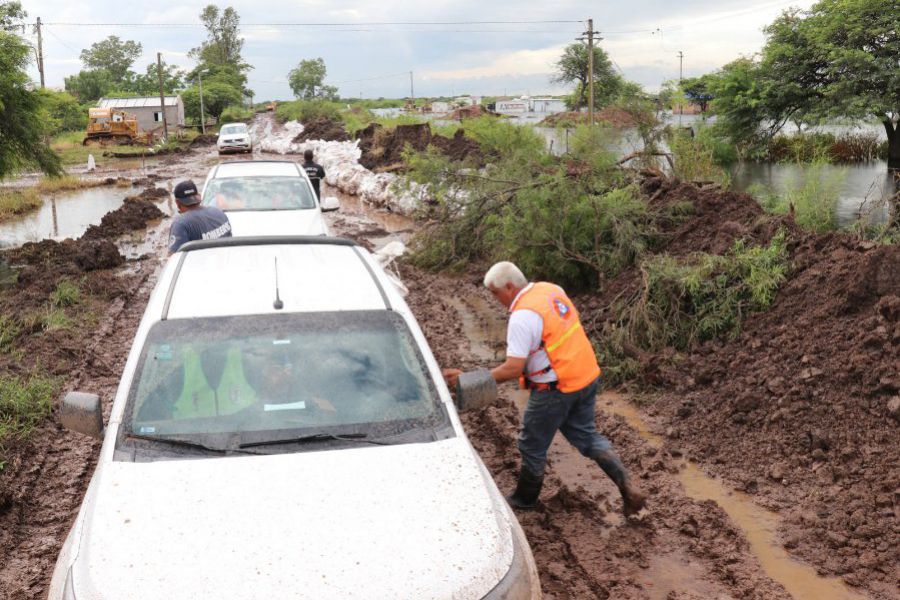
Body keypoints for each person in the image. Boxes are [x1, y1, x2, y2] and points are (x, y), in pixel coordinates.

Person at [444, 261, 647, 515]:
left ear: (509, 286)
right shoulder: (550, 290)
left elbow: (512, 368)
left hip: (555, 388)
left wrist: (470, 380)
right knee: (587, 436)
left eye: (495, 294)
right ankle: (628, 486)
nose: (495, 299)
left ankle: (525, 499)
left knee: (531, 444)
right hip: (585, 375)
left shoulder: (521, 317)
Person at [168, 180, 232, 254]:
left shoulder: (180, 224)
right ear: (198, 197)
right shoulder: (219, 212)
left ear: (177, 203)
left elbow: (173, 257)